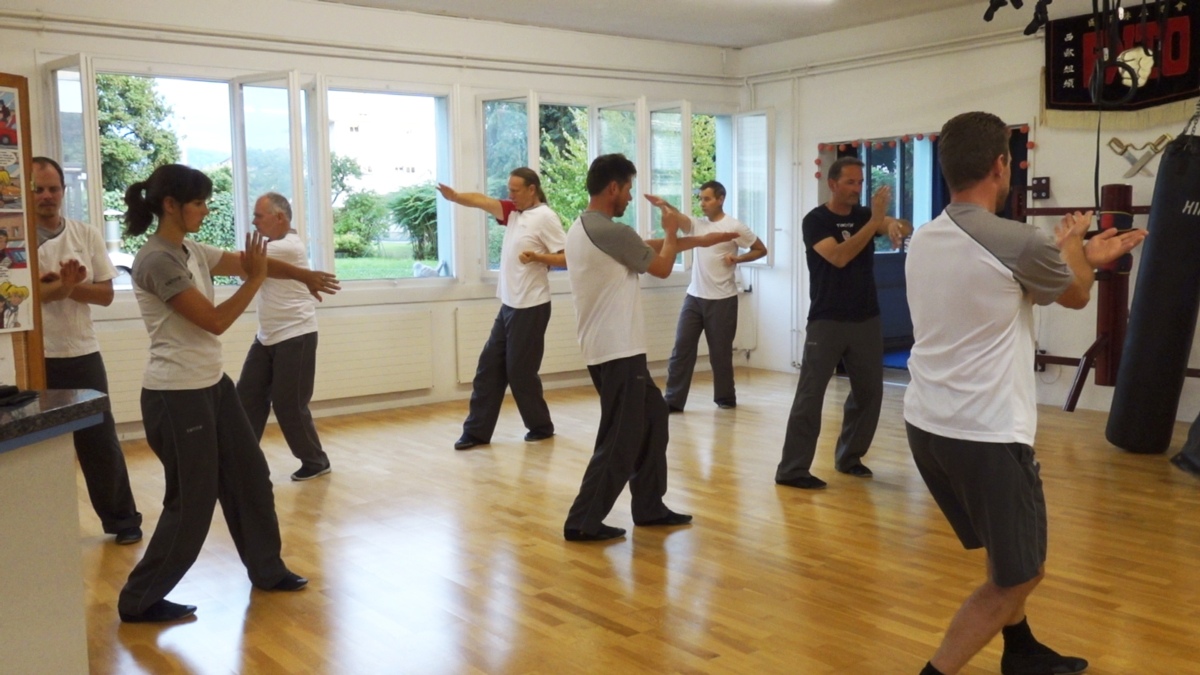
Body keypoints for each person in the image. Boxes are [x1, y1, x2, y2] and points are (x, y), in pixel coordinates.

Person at [906, 112, 1145, 675]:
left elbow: (1010, 291)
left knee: (1004, 549)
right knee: (1021, 573)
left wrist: (1070, 254)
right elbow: (1077, 296)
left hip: (927, 425)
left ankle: (1022, 651)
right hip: (985, 434)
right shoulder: (1017, 240)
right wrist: (1080, 250)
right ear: (1000, 164)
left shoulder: (925, 236)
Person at [117, 164, 339, 623]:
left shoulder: (191, 250)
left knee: (250, 478)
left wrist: (301, 275)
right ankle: (139, 599)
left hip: (212, 385)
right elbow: (214, 320)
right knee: (193, 502)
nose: (205, 210)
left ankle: (267, 569)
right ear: (171, 205)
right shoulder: (156, 260)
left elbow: (248, 262)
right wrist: (255, 282)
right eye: (198, 202)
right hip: (176, 396)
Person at [562, 153, 738, 542]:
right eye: (627, 189)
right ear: (613, 187)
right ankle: (582, 521)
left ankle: (649, 506)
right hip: (617, 350)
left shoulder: (583, 226)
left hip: (610, 348)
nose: (629, 197)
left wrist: (695, 239)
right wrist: (673, 232)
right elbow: (660, 267)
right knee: (621, 438)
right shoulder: (612, 231)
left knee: (654, 416)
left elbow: (643, 247)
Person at [775, 157, 909, 490]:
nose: (856, 188)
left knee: (869, 393)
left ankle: (849, 457)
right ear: (832, 184)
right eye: (850, 182)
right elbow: (839, 256)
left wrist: (894, 225)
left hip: (866, 318)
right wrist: (875, 222)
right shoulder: (815, 221)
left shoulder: (864, 216)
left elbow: (897, 224)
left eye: (860, 182)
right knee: (810, 395)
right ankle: (792, 469)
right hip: (827, 320)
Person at [31, 156, 142, 545]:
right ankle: (43, 532)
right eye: (38, 190)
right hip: (36, 358)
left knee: (100, 440)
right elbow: (29, 297)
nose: (47, 196)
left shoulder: (86, 234)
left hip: (82, 352)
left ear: (63, 191)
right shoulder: (14, 241)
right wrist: (61, 287)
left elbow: (106, 294)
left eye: (53, 189)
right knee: (39, 447)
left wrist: (66, 286)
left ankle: (123, 521)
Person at [437, 168, 566, 451]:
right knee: (488, 368)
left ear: (532, 190)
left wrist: (538, 257)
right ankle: (476, 432)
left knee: (520, 373)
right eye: (509, 190)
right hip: (509, 305)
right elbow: (482, 201)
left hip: (532, 306)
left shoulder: (545, 217)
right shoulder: (513, 213)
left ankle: (541, 427)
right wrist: (456, 197)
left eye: (515, 190)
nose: (511, 195)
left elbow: (566, 258)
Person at [236, 192, 331, 482]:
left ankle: (315, 461)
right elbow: (246, 272)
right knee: (246, 398)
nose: (254, 222)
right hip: (266, 337)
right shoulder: (272, 247)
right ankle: (241, 461)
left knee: (289, 404)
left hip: (296, 334)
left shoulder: (287, 247)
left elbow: (242, 266)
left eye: (258, 216)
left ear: (279, 217)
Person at [657, 180, 767, 412]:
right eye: (700, 199)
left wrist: (738, 259)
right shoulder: (697, 225)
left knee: (720, 354)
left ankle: (725, 398)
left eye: (707, 199)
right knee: (681, 349)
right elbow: (679, 218)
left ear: (720, 199)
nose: (702, 203)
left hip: (722, 299)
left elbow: (760, 249)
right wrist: (665, 205)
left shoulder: (734, 226)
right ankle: (673, 401)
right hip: (694, 297)